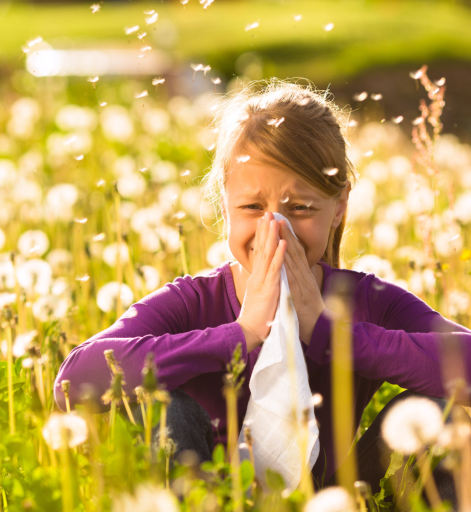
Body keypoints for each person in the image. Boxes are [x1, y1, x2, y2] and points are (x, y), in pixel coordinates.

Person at [54, 79, 471, 506]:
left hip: (333, 498)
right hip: (207, 493)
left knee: (444, 411)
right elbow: (74, 380)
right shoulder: (194, 301)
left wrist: (333, 336)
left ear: (340, 206)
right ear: (224, 201)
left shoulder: (363, 299)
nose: (275, 228)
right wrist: (241, 333)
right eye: (253, 207)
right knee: (163, 405)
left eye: (301, 208)